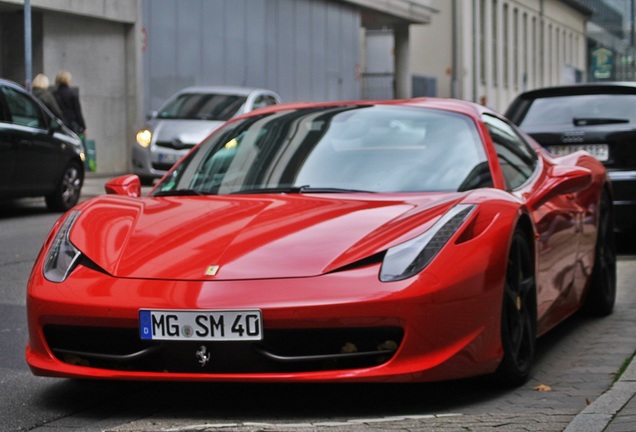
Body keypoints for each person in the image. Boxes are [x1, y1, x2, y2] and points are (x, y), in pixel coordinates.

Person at [53, 70, 86, 135]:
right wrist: (83, 127)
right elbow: (78, 112)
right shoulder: (72, 94)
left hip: (58, 124)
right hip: (71, 125)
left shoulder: (54, 94)